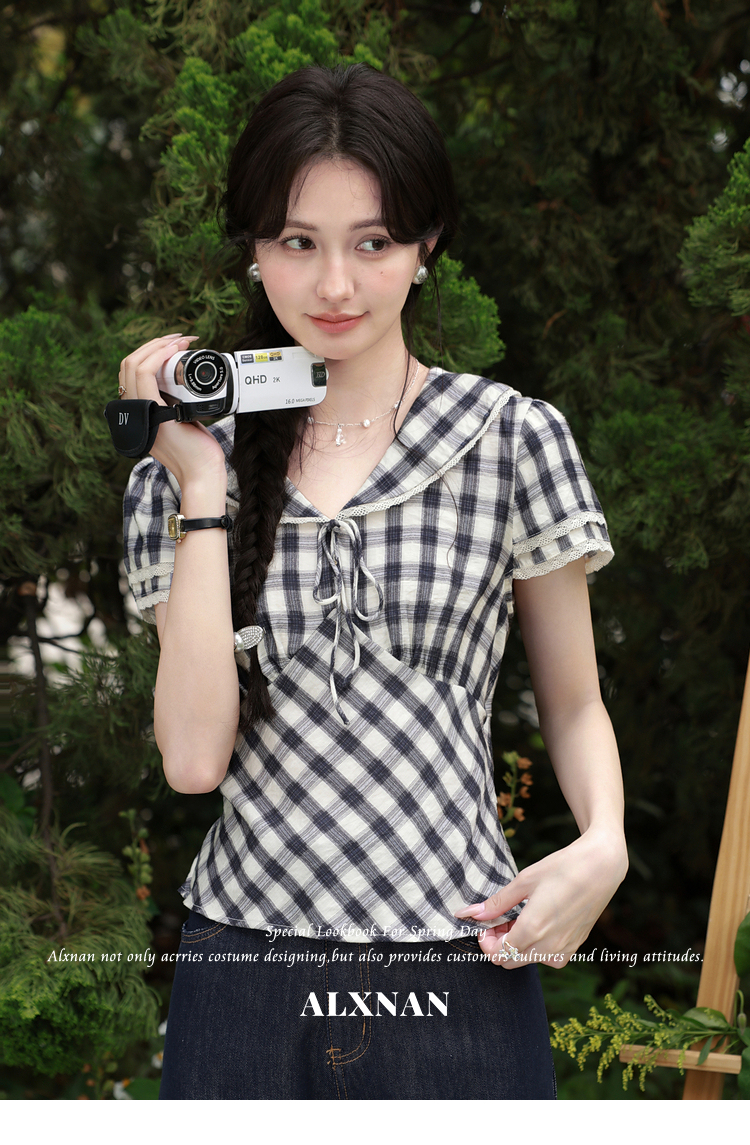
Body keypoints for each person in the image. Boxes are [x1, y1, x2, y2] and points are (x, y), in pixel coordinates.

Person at [121, 63, 628, 1101]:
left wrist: (606, 842)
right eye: (297, 242)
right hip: (243, 979)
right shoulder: (182, 468)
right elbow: (193, 758)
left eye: (374, 242)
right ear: (254, 248)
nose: (335, 287)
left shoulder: (510, 439)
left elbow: (575, 701)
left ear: (426, 244)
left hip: (461, 961)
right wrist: (203, 486)